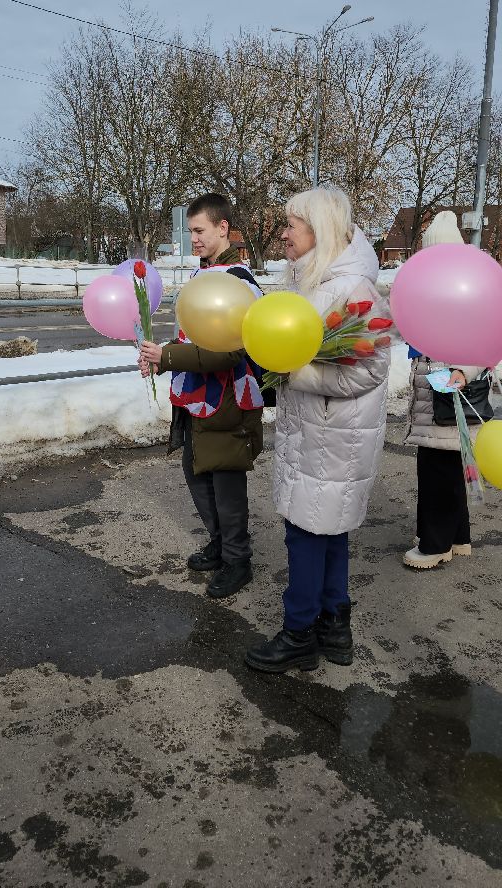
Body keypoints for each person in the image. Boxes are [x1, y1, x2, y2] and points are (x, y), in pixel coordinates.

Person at [245, 187, 390, 673]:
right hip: (319, 431)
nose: (283, 233)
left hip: (333, 437)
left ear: (320, 230)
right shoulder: (311, 279)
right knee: (328, 533)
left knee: (307, 534)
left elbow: (368, 370)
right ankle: (335, 626)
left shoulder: (354, 289)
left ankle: (299, 632)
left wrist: (294, 373)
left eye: (291, 224)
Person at [139, 193, 264, 600]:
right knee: (197, 474)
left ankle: (238, 559)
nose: (193, 239)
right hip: (196, 394)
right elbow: (194, 334)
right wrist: (162, 358)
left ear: (222, 228)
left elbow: (233, 349)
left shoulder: (238, 281)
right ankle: (220, 542)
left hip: (228, 397)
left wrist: (170, 356)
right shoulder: (204, 275)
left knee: (225, 481)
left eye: (200, 231)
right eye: (190, 231)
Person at [403, 210, 492, 570]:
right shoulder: (444, 290)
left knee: (440, 474)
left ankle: (435, 545)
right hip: (439, 397)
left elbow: (488, 341)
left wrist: (462, 371)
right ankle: (457, 536)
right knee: (447, 471)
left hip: (450, 397)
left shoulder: (465, 292)